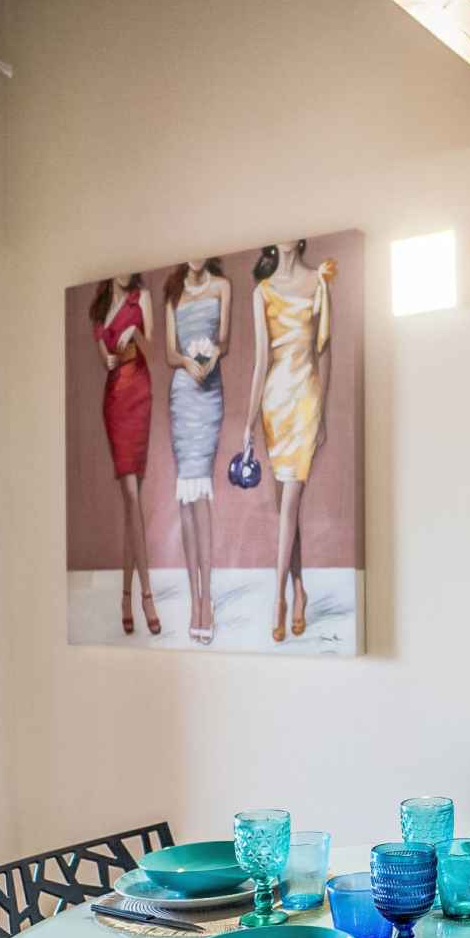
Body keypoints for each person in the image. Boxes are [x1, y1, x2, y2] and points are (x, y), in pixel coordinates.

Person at [243, 241, 334, 642]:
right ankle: (300, 591)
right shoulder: (261, 292)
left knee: (290, 503)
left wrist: (324, 410)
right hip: (274, 404)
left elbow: (324, 350)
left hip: (306, 399)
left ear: (299, 240)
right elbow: (260, 361)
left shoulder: (319, 280)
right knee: (286, 510)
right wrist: (248, 423)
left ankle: (278, 598)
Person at [163, 258, 231, 644]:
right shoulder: (173, 294)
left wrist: (212, 356)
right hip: (183, 395)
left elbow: (226, 341)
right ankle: (195, 601)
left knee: (200, 495)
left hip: (209, 394)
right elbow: (170, 354)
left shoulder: (222, 286)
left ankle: (208, 599)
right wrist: (188, 361)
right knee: (186, 501)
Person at [89, 273, 159, 636]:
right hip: (115, 399)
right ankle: (145, 596)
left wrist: (136, 334)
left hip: (140, 393)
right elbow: (105, 360)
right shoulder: (101, 308)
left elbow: (154, 351)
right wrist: (109, 358)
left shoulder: (140, 297)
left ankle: (128, 596)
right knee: (131, 498)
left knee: (134, 503)